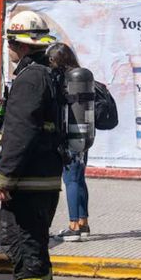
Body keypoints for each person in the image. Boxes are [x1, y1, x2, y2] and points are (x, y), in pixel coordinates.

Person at [0, 10, 63, 280]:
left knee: (22, 241)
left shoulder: (29, 77)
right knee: (35, 240)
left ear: (15, 42)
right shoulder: (48, 72)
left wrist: (5, 177)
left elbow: (20, 132)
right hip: (45, 175)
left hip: (28, 179)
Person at [45, 42, 90, 242]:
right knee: (79, 178)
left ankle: (73, 227)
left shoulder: (64, 81)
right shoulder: (80, 77)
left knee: (70, 179)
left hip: (69, 136)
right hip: (84, 135)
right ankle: (83, 222)